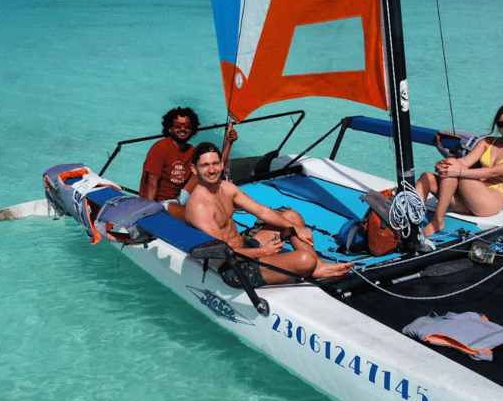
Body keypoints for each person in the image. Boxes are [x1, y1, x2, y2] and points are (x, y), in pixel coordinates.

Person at [185, 142, 353, 287]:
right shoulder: (200, 206)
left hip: (243, 247)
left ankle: (319, 266)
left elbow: (262, 211)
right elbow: (222, 253)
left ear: (222, 165)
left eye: (215, 164)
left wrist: (295, 228)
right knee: (305, 260)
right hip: (232, 266)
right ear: (194, 169)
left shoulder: (226, 188)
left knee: (291, 217)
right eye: (205, 165)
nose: (212, 170)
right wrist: (263, 252)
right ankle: (311, 264)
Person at [416, 103, 503, 237]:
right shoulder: (488, 142)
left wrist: (457, 171)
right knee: (427, 178)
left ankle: (438, 220)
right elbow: (464, 162)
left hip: (490, 202)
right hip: (469, 199)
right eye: (502, 124)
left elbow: (494, 172)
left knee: (458, 171)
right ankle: (410, 222)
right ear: (497, 126)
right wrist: (444, 164)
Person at [139, 107, 236, 220]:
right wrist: (148, 216)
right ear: (169, 128)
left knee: (202, 169)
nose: (183, 128)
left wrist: (229, 142)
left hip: (180, 198)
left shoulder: (191, 151)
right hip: (161, 203)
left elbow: (215, 167)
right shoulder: (160, 148)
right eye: (178, 125)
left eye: (187, 125)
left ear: (192, 128)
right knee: (197, 217)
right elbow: (152, 185)